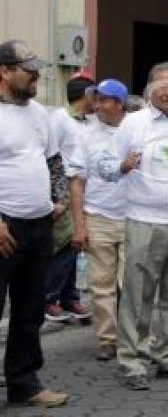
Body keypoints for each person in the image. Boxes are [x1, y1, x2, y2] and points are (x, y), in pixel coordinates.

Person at [102, 62, 168, 390]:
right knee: (138, 296)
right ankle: (133, 362)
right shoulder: (132, 125)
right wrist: (122, 165)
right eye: (162, 86)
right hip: (144, 222)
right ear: (150, 90)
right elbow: (104, 166)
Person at [0, 39, 68, 407]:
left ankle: (24, 384)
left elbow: (54, 160)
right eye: (29, 70)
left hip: (38, 225)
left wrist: (57, 199)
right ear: (5, 71)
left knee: (29, 312)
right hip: (3, 228)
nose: (37, 76)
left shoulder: (39, 113)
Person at [66, 79, 130, 361]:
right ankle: (108, 339)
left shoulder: (137, 130)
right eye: (96, 99)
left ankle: (134, 337)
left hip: (135, 216)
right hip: (98, 217)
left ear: (118, 103)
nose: (97, 104)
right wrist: (79, 225)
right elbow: (77, 182)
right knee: (101, 285)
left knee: (133, 283)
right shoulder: (86, 135)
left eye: (103, 99)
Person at [44, 73, 95, 324]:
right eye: (94, 94)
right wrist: (56, 196)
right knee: (64, 244)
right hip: (64, 189)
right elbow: (50, 158)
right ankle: (49, 297)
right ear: (86, 95)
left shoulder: (89, 122)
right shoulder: (59, 120)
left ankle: (69, 296)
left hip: (85, 189)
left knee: (77, 243)